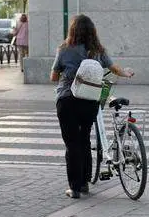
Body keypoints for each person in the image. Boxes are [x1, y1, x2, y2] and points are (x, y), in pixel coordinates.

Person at [50, 15, 134, 199]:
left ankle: (75, 188)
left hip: (67, 100)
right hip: (89, 102)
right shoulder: (98, 50)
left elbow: (53, 77)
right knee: (84, 139)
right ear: (93, 32)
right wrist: (126, 73)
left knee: (72, 144)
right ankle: (85, 181)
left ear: (72, 30)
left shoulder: (64, 49)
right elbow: (114, 68)